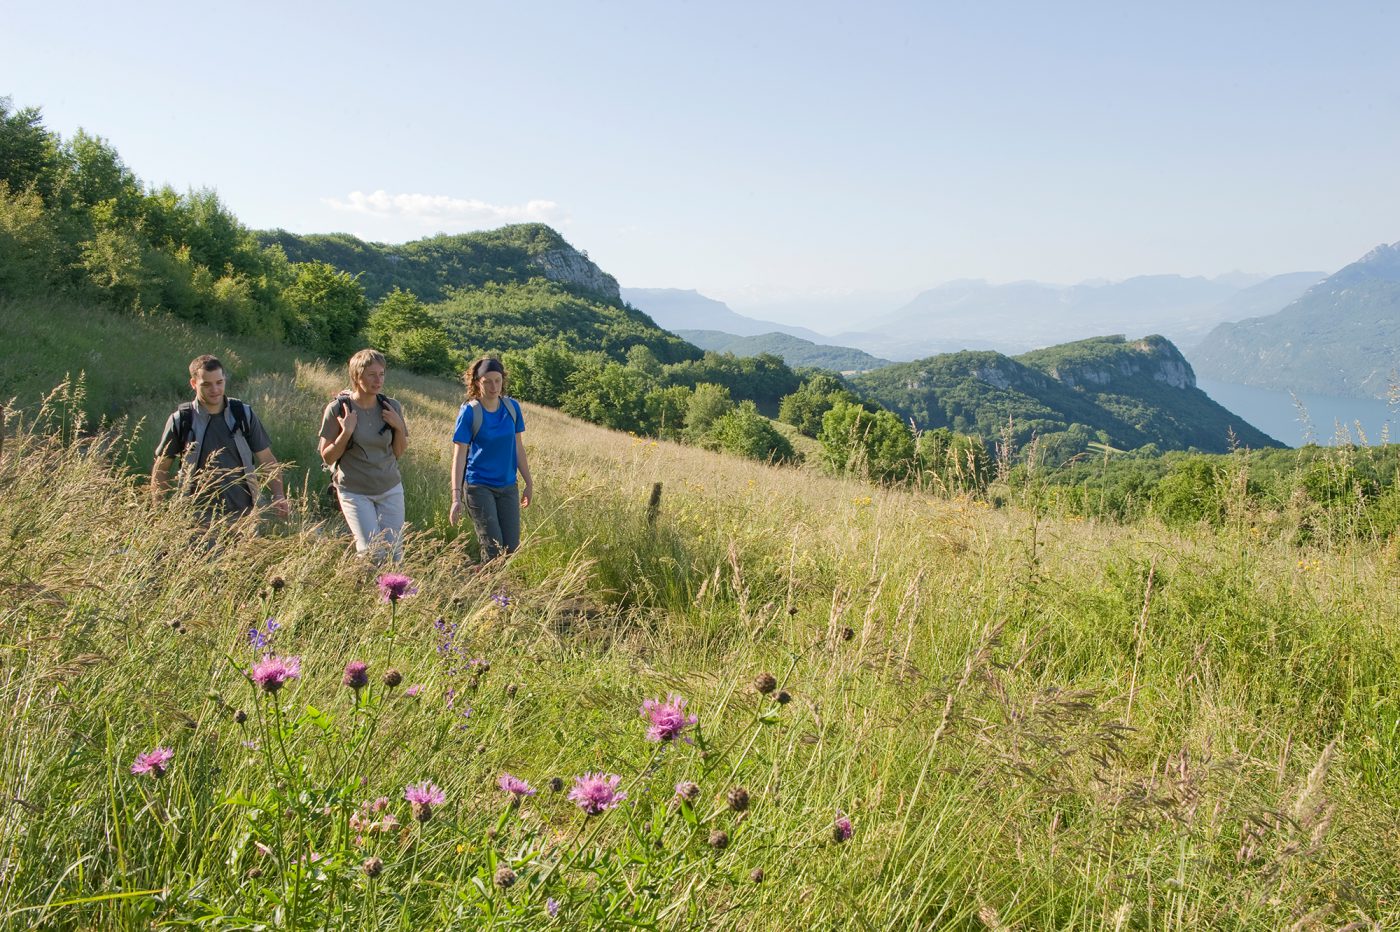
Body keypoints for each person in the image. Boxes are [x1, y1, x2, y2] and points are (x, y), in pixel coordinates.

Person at [152, 355, 289, 520]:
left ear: (224, 379)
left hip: (244, 516)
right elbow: (161, 468)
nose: (215, 390)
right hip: (195, 519)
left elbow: (267, 459)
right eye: (207, 384)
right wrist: (158, 510)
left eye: (219, 382)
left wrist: (279, 495)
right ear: (193, 384)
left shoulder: (243, 414)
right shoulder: (182, 420)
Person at [318, 349, 409, 562]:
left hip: (390, 489)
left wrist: (398, 426)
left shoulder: (391, 406)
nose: (379, 380)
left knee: (394, 553)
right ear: (357, 377)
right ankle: (364, 590)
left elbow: (398, 452)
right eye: (372, 375)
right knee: (372, 552)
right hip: (355, 492)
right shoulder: (338, 409)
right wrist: (346, 433)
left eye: (382, 374)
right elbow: (327, 457)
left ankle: (389, 595)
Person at [449, 356, 533, 560]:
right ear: (477, 382)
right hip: (479, 487)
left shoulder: (512, 408)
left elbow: (518, 448)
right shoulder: (470, 412)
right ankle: (489, 590)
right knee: (493, 549)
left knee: (511, 548)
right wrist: (456, 497)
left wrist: (529, 483)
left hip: (508, 487)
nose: (494, 386)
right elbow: (459, 456)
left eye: (498, 380)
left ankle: (495, 588)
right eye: (487, 381)